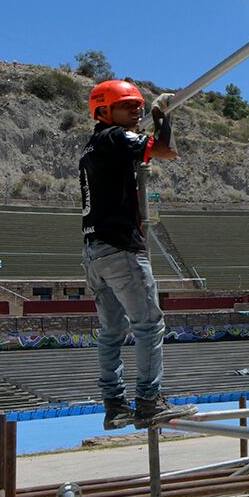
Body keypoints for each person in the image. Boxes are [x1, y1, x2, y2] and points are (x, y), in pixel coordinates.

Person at [80, 81, 197, 430]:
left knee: (112, 331)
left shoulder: (92, 146)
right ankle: (149, 401)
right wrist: (162, 117)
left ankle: (114, 406)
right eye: (126, 105)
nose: (137, 110)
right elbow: (166, 151)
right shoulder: (115, 138)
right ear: (103, 111)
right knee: (148, 325)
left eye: (140, 105)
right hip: (120, 248)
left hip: (93, 250)